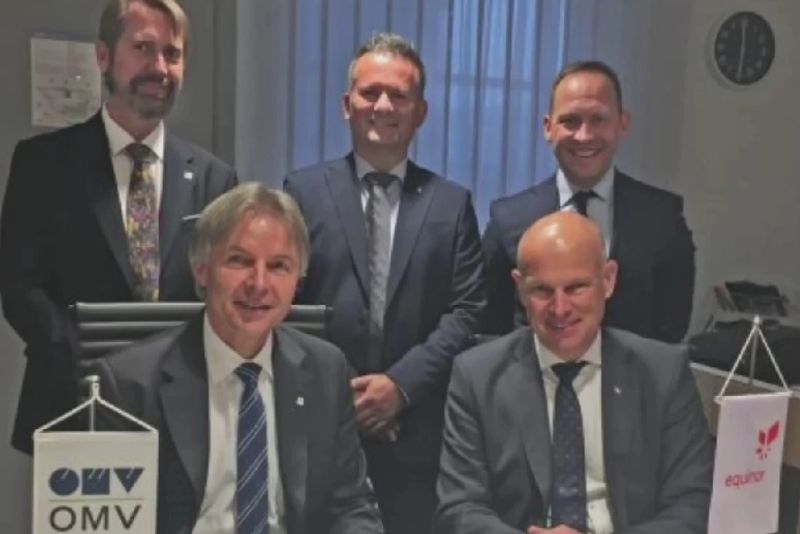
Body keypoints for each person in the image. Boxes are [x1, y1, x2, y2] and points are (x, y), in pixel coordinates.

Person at [0, 0, 237, 453]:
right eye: (143, 48)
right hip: (72, 402)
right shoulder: (43, 164)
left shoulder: (215, 179)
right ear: (104, 56)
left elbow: (221, 292)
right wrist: (90, 359)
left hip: (183, 409)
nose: (159, 68)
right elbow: (19, 286)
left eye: (172, 53)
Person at [90, 183, 383, 533]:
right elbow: (111, 523)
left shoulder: (326, 370)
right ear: (201, 269)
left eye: (278, 266)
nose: (258, 283)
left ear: (298, 280)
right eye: (239, 261)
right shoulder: (129, 384)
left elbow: (351, 505)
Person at [284, 33, 485, 533]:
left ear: (421, 112)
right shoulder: (301, 192)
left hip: (418, 436)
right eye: (370, 92)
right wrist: (348, 394)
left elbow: (467, 312)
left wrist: (399, 387)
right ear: (345, 105)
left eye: (399, 95)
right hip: (323, 426)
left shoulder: (451, 203)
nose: (383, 106)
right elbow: (284, 302)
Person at [436, 212, 713, 534]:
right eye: (542, 290)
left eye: (576, 287)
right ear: (519, 288)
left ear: (608, 280)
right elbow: (459, 508)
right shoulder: (476, 376)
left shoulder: (664, 373)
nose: (560, 309)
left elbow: (691, 507)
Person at [482, 60, 694, 343]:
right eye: (570, 121)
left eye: (598, 119)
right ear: (548, 128)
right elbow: (492, 331)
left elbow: (671, 330)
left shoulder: (663, 219)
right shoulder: (507, 220)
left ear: (622, 124)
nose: (584, 136)